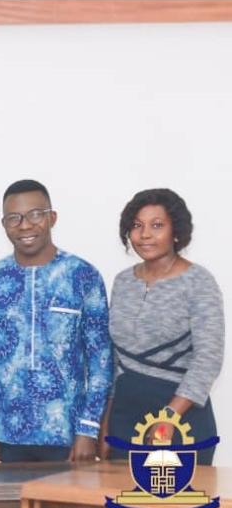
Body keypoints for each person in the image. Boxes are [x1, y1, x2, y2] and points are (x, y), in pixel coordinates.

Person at [0, 179, 112, 464]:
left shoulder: (82, 275)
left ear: (52, 218)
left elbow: (101, 358)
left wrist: (89, 428)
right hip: (4, 437)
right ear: (4, 224)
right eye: (14, 218)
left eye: (35, 215)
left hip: (68, 435)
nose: (24, 225)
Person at [101, 188, 223, 465]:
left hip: (180, 418)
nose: (145, 234)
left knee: (174, 506)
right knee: (123, 506)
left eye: (157, 225)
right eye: (137, 225)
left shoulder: (198, 282)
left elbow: (208, 359)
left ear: (176, 231)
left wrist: (168, 417)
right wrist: (106, 420)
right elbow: (115, 359)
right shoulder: (123, 282)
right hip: (125, 413)